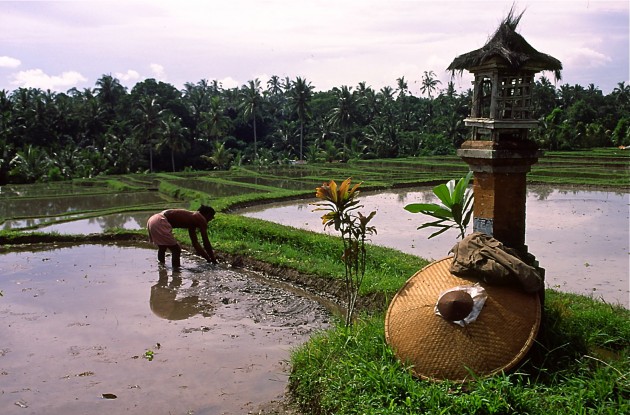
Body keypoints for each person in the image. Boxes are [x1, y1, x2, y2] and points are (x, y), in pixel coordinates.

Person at [147, 205, 218, 267]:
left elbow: (195, 243)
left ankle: (161, 268)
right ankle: (176, 273)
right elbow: (206, 242)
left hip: (153, 219)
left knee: (162, 247)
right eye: (212, 217)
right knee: (176, 249)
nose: (211, 219)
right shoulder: (201, 219)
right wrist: (213, 259)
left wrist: (208, 259)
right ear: (208, 215)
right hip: (160, 221)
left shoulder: (193, 219)